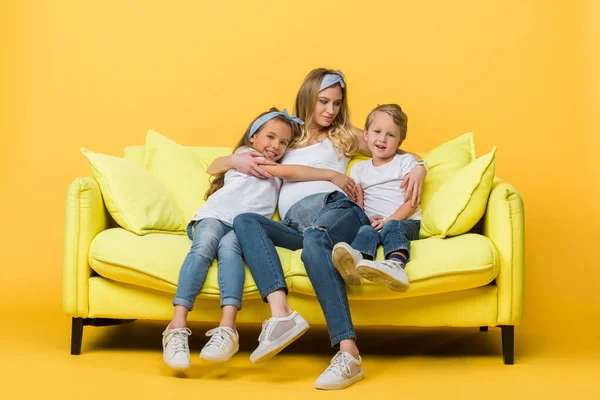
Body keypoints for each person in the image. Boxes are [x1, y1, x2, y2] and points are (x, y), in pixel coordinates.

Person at [210, 68, 426, 390]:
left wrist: (421, 167)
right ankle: (281, 314)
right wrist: (235, 161)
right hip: (297, 223)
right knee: (246, 222)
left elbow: (396, 150)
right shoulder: (286, 135)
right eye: (323, 101)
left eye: (337, 104)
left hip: (338, 209)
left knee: (316, 237)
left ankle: (348, 354)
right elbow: (228, 166)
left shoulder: (344, 135)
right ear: (308, 98)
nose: (330, 111)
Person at [162, 107, 355, 370]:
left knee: (231, 254)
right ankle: (176, 326)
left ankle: (227, 329)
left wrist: (331, 174)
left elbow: (297, 173)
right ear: (253, 137)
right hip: (215, 216)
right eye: (270, 137)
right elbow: (214, 166)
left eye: (283, 142)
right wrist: (234, 160)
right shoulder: (246, 155)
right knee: (203, 247)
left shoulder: (278, 169)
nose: (276, 146)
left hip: (240, 228)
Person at [332, 104, 422, 293]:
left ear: (400, 141)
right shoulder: (359, 169)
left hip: (405, 221)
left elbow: (412, 202)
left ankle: (396, 266)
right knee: (365, 229)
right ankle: (357, 262)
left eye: (390, 135)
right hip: (375, 223)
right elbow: (359, 203)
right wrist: (366, 218)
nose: (382, 139)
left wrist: (390, 220)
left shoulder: (405, 162)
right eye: (377, 131)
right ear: (365, 134)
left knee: (392, 227)